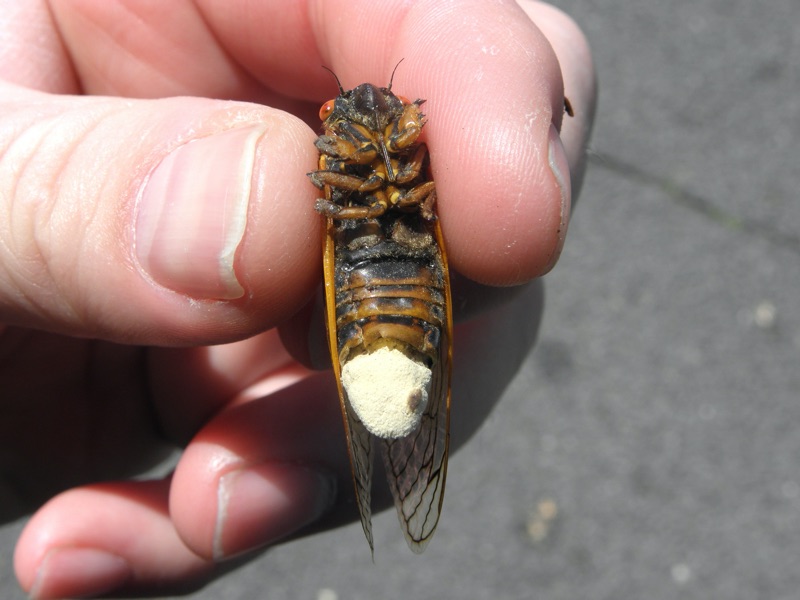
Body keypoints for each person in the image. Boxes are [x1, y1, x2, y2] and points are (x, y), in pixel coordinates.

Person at [0, 1, 596, 597]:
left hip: (379, 286)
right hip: (389, 284)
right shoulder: (345, 170)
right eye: (340, 115)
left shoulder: (400, 162)